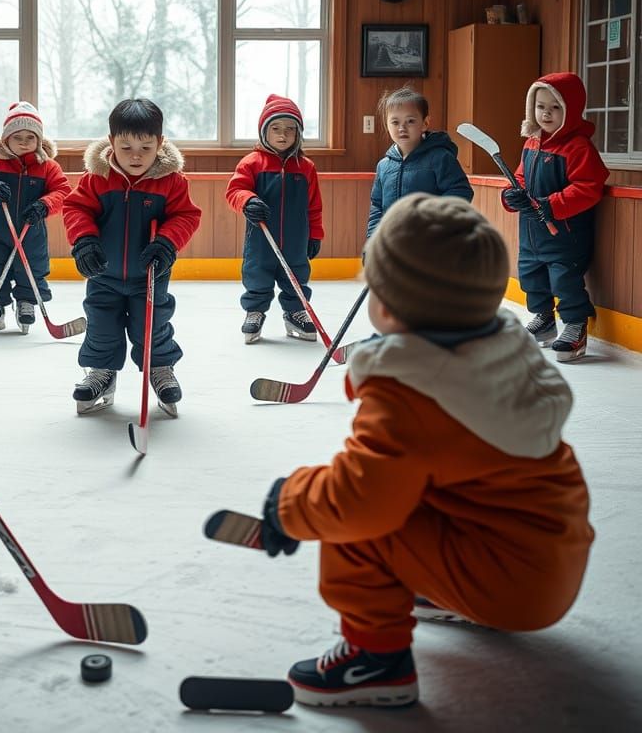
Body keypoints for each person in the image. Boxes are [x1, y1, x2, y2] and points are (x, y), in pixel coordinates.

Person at [256, 193, 593, 708]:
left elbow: (357, 500)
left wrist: (289, 502)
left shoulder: (413, 395)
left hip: (507, 583)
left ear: (386, 304)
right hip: (549, 562)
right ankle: (441, 589)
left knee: (357, 528)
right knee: (415, 488)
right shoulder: (504, 354)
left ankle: (377, 660)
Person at [62, 98, 201, 414]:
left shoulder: (171, 182)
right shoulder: (97, 178)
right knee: (101, 324)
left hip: (149, 276)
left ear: (160, 144)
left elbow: (186, 216)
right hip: (103, 274)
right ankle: (101, 371)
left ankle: (160, 367)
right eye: (126, 148)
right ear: (111, 142)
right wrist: (84, 241)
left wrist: (167, 243)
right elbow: (75, 208)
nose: (135, 156)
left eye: (146, 147)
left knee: (152, 326)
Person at [501, 72, 609, 362]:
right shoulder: (532, 144)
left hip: (564, 234)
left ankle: (575, 325)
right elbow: (521, 179)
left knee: (564, 280)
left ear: (571, 109)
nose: (546, 113)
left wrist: (553, 205)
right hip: (532, 235)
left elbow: (589, 188)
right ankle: (544, 320)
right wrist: (512, 195)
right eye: (540, 106)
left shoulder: (578, 147)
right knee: (531, 278)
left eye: (555, 107)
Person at [0, 102, 71, 333]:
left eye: (30, 137)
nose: (24, 142)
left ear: (39, 140)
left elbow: (63, 191)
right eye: (17, 136)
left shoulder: (48, 166)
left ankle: (26, 303)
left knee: (32, 268)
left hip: (31, 230)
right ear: (6, 139)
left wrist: (44, 205)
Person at [225, 94, 324, 344]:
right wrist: (248, 200)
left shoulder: (306, 167)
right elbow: (234, 191)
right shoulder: (252, 163)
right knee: (257, 273)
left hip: (296, 238)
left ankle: (295, 312)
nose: (283, 135)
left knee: (297, 275)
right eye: (276, 129)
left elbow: (314, 205)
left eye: (290, 130)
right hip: (261, 237)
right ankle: (255, 311)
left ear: (298, 134)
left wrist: (315, 235)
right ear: (263, 132)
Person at [366, 86, 472, 237]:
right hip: (393, 244)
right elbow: (377, 206)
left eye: (410, 121)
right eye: (395, 122)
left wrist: (434, 221)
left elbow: (461, 191)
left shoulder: (440, 158)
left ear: (425, 123)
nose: (402, 128)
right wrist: (372, 245)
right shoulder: (384, 166)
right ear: (386, 125)